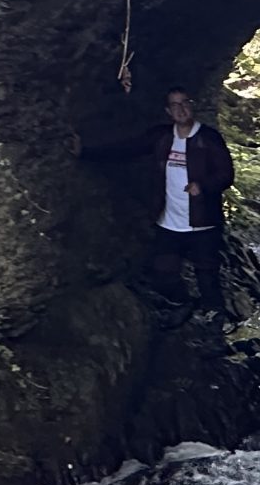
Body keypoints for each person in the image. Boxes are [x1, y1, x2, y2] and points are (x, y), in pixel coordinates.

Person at [80, 87, 238, 319]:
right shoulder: (161, 137)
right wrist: (85, 152)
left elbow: (226, 174)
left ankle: (215, 321)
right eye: (174, 105)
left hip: (203, 222)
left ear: (192, 105)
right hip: (169, 222)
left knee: (207, 275)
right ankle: (185, 306)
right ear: (168, 111)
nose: (180, 109)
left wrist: (203, 185)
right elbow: (127, 149)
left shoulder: (208, 138)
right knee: (163, 271)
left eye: (184, 103)